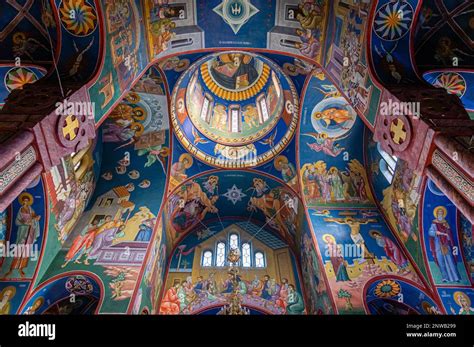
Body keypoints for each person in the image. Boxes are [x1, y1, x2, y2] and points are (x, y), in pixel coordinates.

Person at [428, 207, 461, 283]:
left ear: (443, 214)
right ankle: (445, 277)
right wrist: (436, 233)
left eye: (441, 213)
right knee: (440, 261)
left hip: (446, 244)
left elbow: (450, 233)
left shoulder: (446, 223)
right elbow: (430, 232)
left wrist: (447, 233)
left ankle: (455, 277)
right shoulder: (434, 223)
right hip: (438, 244)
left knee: (450, 261)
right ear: (436, 214)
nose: (440, 214)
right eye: (439, 213)